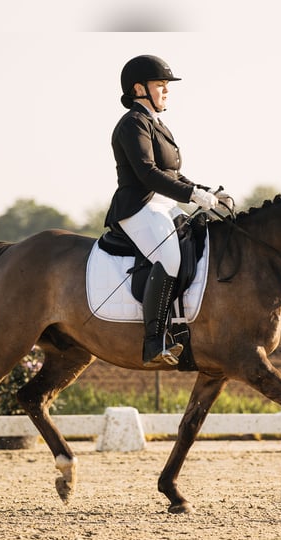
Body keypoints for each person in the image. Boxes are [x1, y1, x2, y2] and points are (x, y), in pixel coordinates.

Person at [104, 54, 220, 367]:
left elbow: (173, 174)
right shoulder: (132, 124)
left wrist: (205, 193)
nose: (166, 91)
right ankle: (154, 341)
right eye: (161, 85)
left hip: (163, 205)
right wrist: (191, 194)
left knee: (200, 240)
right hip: (138, 206)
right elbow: (148, 173)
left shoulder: (158, 124)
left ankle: (184, 324)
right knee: (168, 256)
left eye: (167, 86)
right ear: (139, 88)